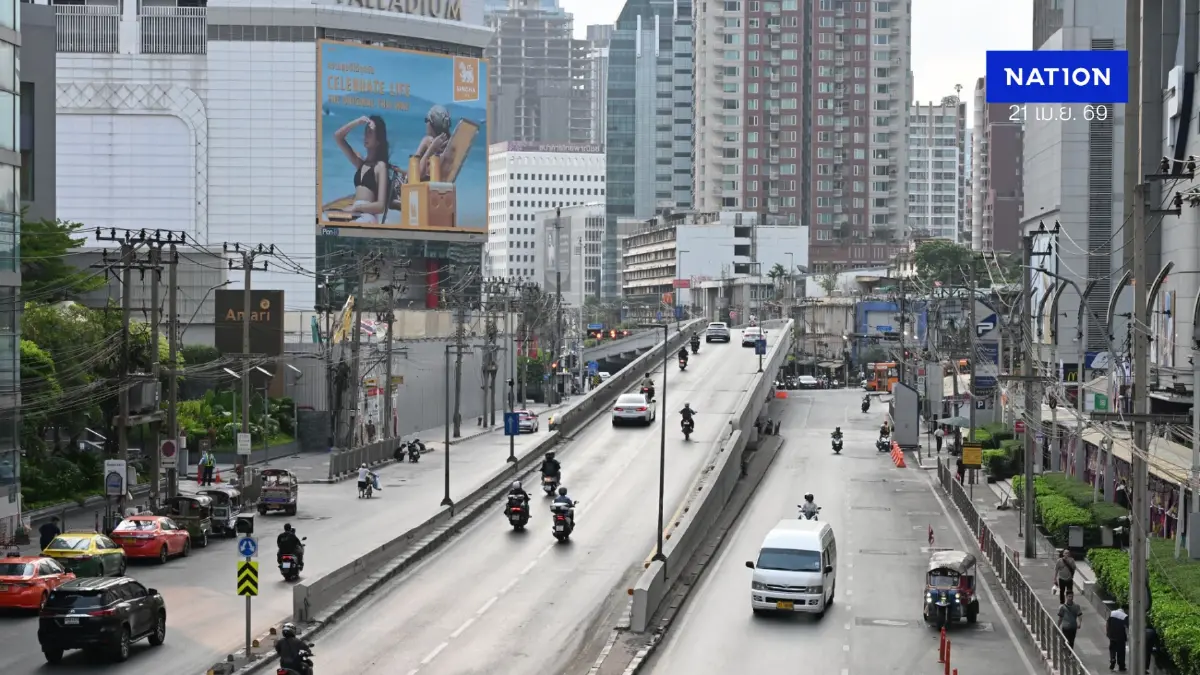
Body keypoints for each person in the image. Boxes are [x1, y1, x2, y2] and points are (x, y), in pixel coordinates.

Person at [332, 115, 391, 224]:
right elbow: (338, 137)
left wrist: (356, 208)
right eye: (365, 131)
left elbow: (380, 206)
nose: (365, 135)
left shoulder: (380, 167)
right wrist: (357, 122)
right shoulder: (360, 163)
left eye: (370, 132)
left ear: (378, 141)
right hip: (355, 214)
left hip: (367, 216)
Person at [1106, 604, 1128, 671]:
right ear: (1126, 610)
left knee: (1112, 648)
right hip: (1120, 636)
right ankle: (1121, 666)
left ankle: (1112, 659)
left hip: (1111, 634)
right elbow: (1128, 627)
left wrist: (1108, 632)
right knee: (1121, 652)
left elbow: (1107, 623)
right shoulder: (1125, 616)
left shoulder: (1112, 612)